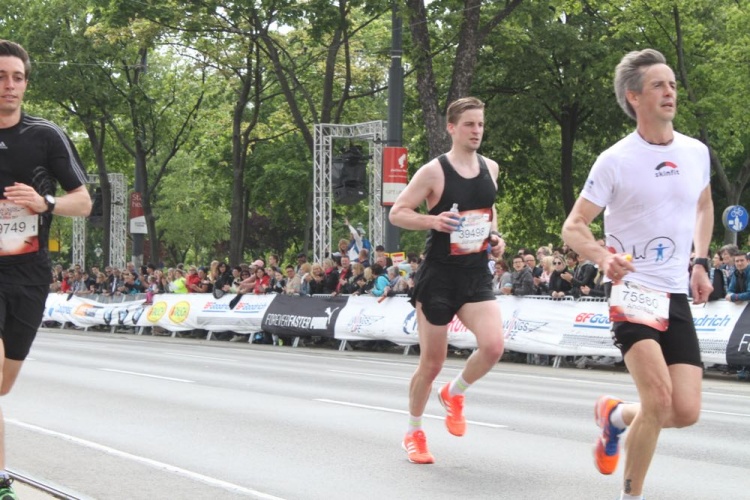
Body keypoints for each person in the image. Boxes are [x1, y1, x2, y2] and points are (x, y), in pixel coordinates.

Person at [561, 49, 713, 500]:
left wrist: (700, 261)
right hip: (634, 293)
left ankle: (614, 415)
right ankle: (632, 495)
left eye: (672, 85)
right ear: (634, 97)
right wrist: (603, 257)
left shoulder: (696, 152)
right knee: (659, 400)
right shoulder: (616, 160)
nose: (670, 92)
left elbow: (704, 206)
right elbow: (574, 226)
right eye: (658, 85)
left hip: (675, 293)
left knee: (684, 411)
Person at [389, 96, 505, 464]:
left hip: (475, 273)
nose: (476, 131)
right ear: (451, 128)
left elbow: (488, 210)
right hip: (439, 276)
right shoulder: (433, 172)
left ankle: (454, 392)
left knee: (493, 347)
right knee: (432, 364)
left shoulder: (490, 168)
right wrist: (433, 221)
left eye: (480, 124)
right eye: (469, 124)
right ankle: (414, 432)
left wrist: (495, 238)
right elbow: (398, 213)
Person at [0, 40, 93, 497]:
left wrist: (45, 202)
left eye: (17, 77)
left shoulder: (46, 136)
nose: (9, 85)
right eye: (1, 77)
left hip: (29, 275)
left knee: (3, 384)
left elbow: (84, 202)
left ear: (26, 84)